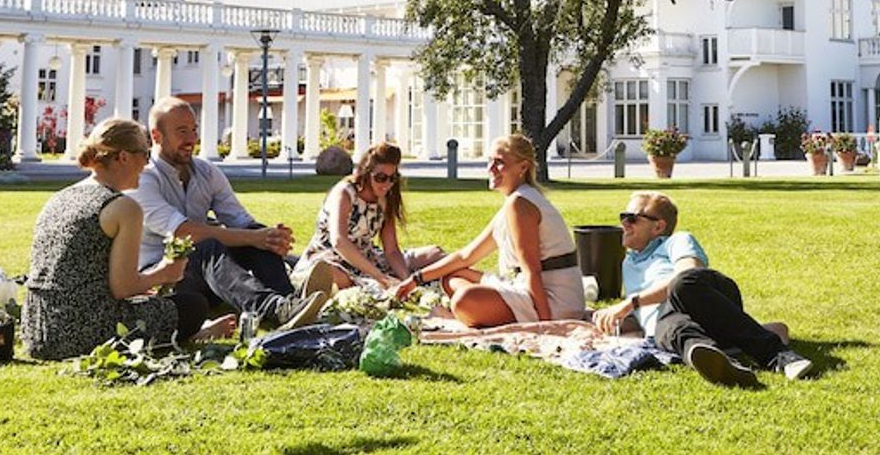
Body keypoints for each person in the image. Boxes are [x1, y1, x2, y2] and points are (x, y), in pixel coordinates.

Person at [23, 118, 234, 360]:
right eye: (144, 154)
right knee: (193, 305)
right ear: (123, 157)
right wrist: (165, 273)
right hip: (83, 332)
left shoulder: (60, 197)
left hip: (39, 332)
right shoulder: (124, 207)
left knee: (162, 302)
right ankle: (192, 334)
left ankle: (184, 335)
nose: (146, 164)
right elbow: (124, 287)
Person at [133, 97, 326, 330]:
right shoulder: (142, 179)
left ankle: (292, 304)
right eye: (182, 131)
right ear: (156, 136)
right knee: (206, 246)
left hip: (209, 277)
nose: (191, 139)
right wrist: (255, 237)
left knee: (256, 235)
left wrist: (270, 236)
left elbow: (241, 222)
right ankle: (273, 309)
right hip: (161, 278)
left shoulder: (206, 172)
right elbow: (185, 233)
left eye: (194, 130)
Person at [592, 191, 814, 387]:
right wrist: (611, 318)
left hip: (707, 300)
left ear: (658, 226)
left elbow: (689, 273)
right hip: (674, 324)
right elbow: (645, 315)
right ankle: (721, 362)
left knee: (682, 284)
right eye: (623, 217)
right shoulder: (628, 263)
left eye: (631, 218)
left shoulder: (677, 240)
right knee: (666, 327)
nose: (624, 224)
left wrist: (630, 302)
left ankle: (780, 356)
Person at [392, 133, 585, 325]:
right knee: (452, 276)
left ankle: (477, 313)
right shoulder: (514, 202)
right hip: (522, 285)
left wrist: (546, 324)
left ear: (523, 167)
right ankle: (481, 312)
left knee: (463, 300)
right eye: (489, 161)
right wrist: (415, 279)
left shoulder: (520, 204)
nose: (490, 169)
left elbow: (531, 269)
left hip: (553, 299)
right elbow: (465, 256)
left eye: (499, 162)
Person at [292, 141, 447, 294]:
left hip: (368, 257)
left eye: (392, 178)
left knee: (434, 254)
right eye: (380, 177)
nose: (387, 184)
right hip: (331, 258)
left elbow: (391, 250)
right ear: (367, 173)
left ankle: (460, 286)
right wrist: (379, 277)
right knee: (332, 276)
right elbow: (339, 242)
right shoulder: (345, 193)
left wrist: (408, 281)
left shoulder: (386, 198)